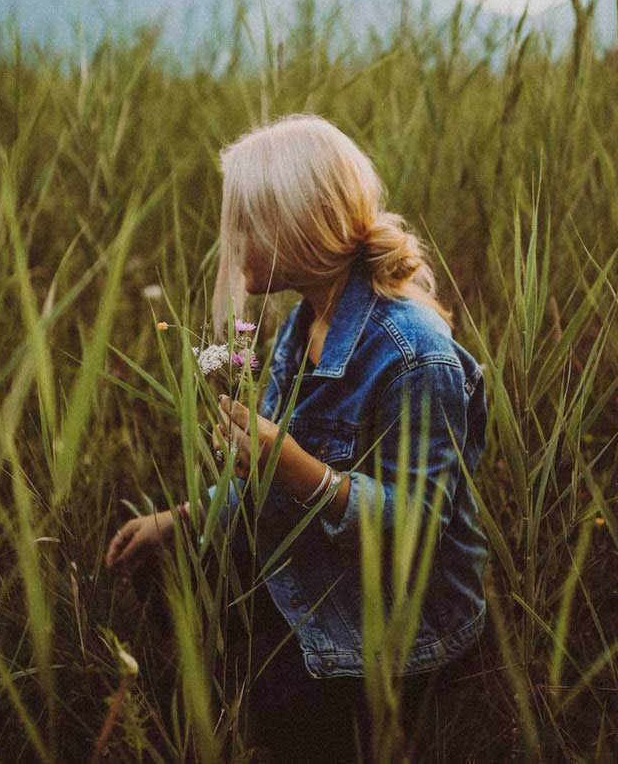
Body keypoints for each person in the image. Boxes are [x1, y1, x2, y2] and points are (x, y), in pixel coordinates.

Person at [104, 113, 509, 762]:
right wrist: (180, 517)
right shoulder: (303, 326)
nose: (230, 240)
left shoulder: (415, 356)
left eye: (247, 223)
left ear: (301, 227)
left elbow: (416, 528)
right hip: (328, 567)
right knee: (173, 579)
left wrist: (292, 467)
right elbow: (263, 484)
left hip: (400, 627)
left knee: (273, 715)